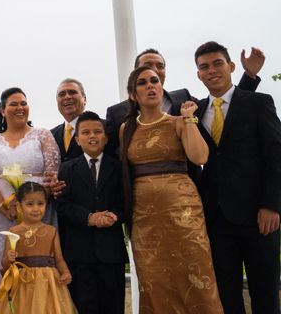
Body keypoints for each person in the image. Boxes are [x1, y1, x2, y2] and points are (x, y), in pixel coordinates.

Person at [120, 66, 223, 313]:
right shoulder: (126, 129)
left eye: (154, 81)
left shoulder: (178, 122)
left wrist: (188, 120)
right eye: (142, 83)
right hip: (144, 217)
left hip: (182, 211)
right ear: (133, 94)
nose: (150, 86)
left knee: (194, 271)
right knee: (154, 280)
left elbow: (200, 156)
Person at [194, 41, 281, 314]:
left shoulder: (258, 102)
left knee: (265, 293)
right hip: (216, 220)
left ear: (231, 66)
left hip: (259, 216)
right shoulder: (193, 112)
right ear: (198, 74)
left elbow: (276, 156)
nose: (212, 71)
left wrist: (272, 205)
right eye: (204, 67)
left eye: (218, 63)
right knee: (226, 296)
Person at [0, 87, 60, 314]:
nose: (19, 108)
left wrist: (29, 207)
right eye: (13, 104)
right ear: (3, 110)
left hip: (36, 213)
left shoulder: (43, 136)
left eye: (23, 103)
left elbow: (52, 174)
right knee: (0, 265)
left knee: (34, 263)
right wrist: (4, 206)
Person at [106, 47, 264, 155]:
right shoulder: (116, 113)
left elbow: (221, 107)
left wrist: (249, 77)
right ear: (135, 73)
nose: (154, 69)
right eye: (148, 65)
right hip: (139, 193)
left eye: (160, 66)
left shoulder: (184, 99)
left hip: (186, 190)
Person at [56, 111, 127, 314]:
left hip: (111, 253)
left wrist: (115, 216)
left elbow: (126, 203)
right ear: (77, 139)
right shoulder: (67, 168)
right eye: (86, 132)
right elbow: (63, 205)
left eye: (97, 132)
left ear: (106, 137)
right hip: (79, 253)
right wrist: (89, 218)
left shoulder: (119, 167)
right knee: (83, 306)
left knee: (113, 306)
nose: (92, 136)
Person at [0, 181, 75, 314]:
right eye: (30, 204)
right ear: (19, 207)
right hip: (22, 284)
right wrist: (9, 258)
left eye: (40, 204)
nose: (36, 209)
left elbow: (59, 259)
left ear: (46, 205)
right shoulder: (13, 232)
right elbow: (5, 265)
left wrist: (66, 272)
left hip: (48, 284)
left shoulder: (51, 231)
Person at [51, 78, 89, 162]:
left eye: (72, 92)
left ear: (84, 99)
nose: (67, 97)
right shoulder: (50, 136)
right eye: (62, 94)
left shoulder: (103, 128)